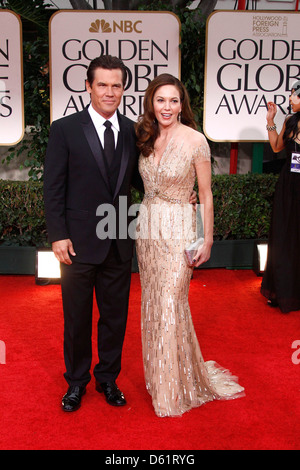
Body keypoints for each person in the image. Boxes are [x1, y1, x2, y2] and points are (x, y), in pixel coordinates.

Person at [44, 56, 196, 412]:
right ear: (88, 87)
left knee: (114, 317)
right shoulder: (65, 129)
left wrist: (181, 193)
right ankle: (76, 382)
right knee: (76, 317)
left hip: (120, 236)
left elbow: (144, 181)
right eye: (102, 85)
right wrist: (58, 234)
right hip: (77, 242)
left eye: (116, 85)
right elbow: (53, 187)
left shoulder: (134, 130)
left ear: (123, 89)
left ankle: (108, 379)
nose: (109, 92)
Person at [135, 73, 245, 417]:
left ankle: (172, 391)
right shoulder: (144, 135)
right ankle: (164, 378)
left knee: (170, 302)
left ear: (182, 105)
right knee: (154, 304)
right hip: (148, 228)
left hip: (180, 227)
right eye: (160, 100)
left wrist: (208, 237)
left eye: (174, 100)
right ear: (151, 103)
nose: (167, 107)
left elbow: (207, 193)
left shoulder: (196, 140)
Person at [261, 80, 300, 313]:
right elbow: (276, 147)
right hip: (288, 183)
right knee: (284, 235)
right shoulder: (290, 121)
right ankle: (283, 290)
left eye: (294, 95)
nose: (290, 99)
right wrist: (270, 121)